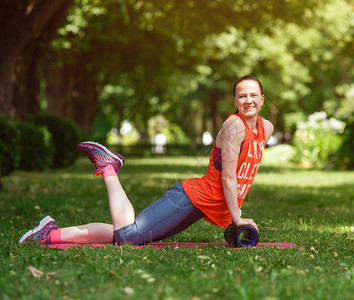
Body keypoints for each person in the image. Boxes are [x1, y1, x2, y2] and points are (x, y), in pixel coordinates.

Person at [19, 75, 274, 246]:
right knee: (129, 237)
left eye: (254, 95)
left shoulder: (266, 128)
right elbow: (228, 176)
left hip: (203, 206)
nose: (248, 100)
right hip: (191, 198)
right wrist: (237, 218)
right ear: (235, 102)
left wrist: (234, 216)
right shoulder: (234, 126)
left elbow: (244, 175)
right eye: (242, 96)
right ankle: (108, 167)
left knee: (129, 232)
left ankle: (49, 233)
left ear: (263, 99)